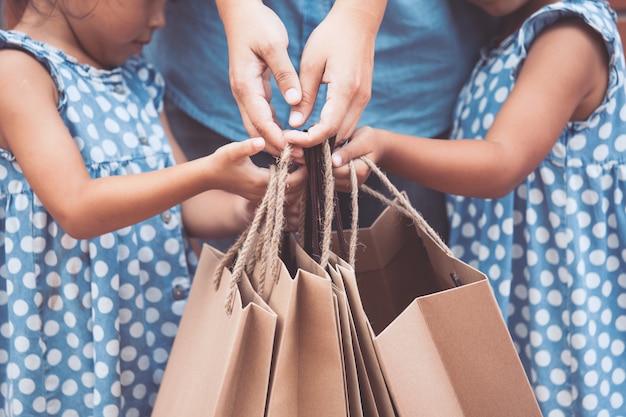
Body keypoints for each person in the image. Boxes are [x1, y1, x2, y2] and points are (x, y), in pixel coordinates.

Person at [0, 0, 304, 415]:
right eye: (149, 1)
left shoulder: (138, 77)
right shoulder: (17, 72)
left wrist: (248, 209)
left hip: (153, 323)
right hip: (75, 337)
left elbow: (180, 205)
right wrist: (208, 173)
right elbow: (77, 207)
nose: (160, 20)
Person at [330, 0, 626, 415]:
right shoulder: (502, 39)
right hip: (509, 281)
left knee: (556, 395)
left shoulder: (570, 37)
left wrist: (386, 148)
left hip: (554, 299)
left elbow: (501, 161)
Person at [143, 0, 496, 247]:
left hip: (405, 93)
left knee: (394, 321)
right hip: (214, 85)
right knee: (236, 328)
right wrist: (237, 8)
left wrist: (361, 12)